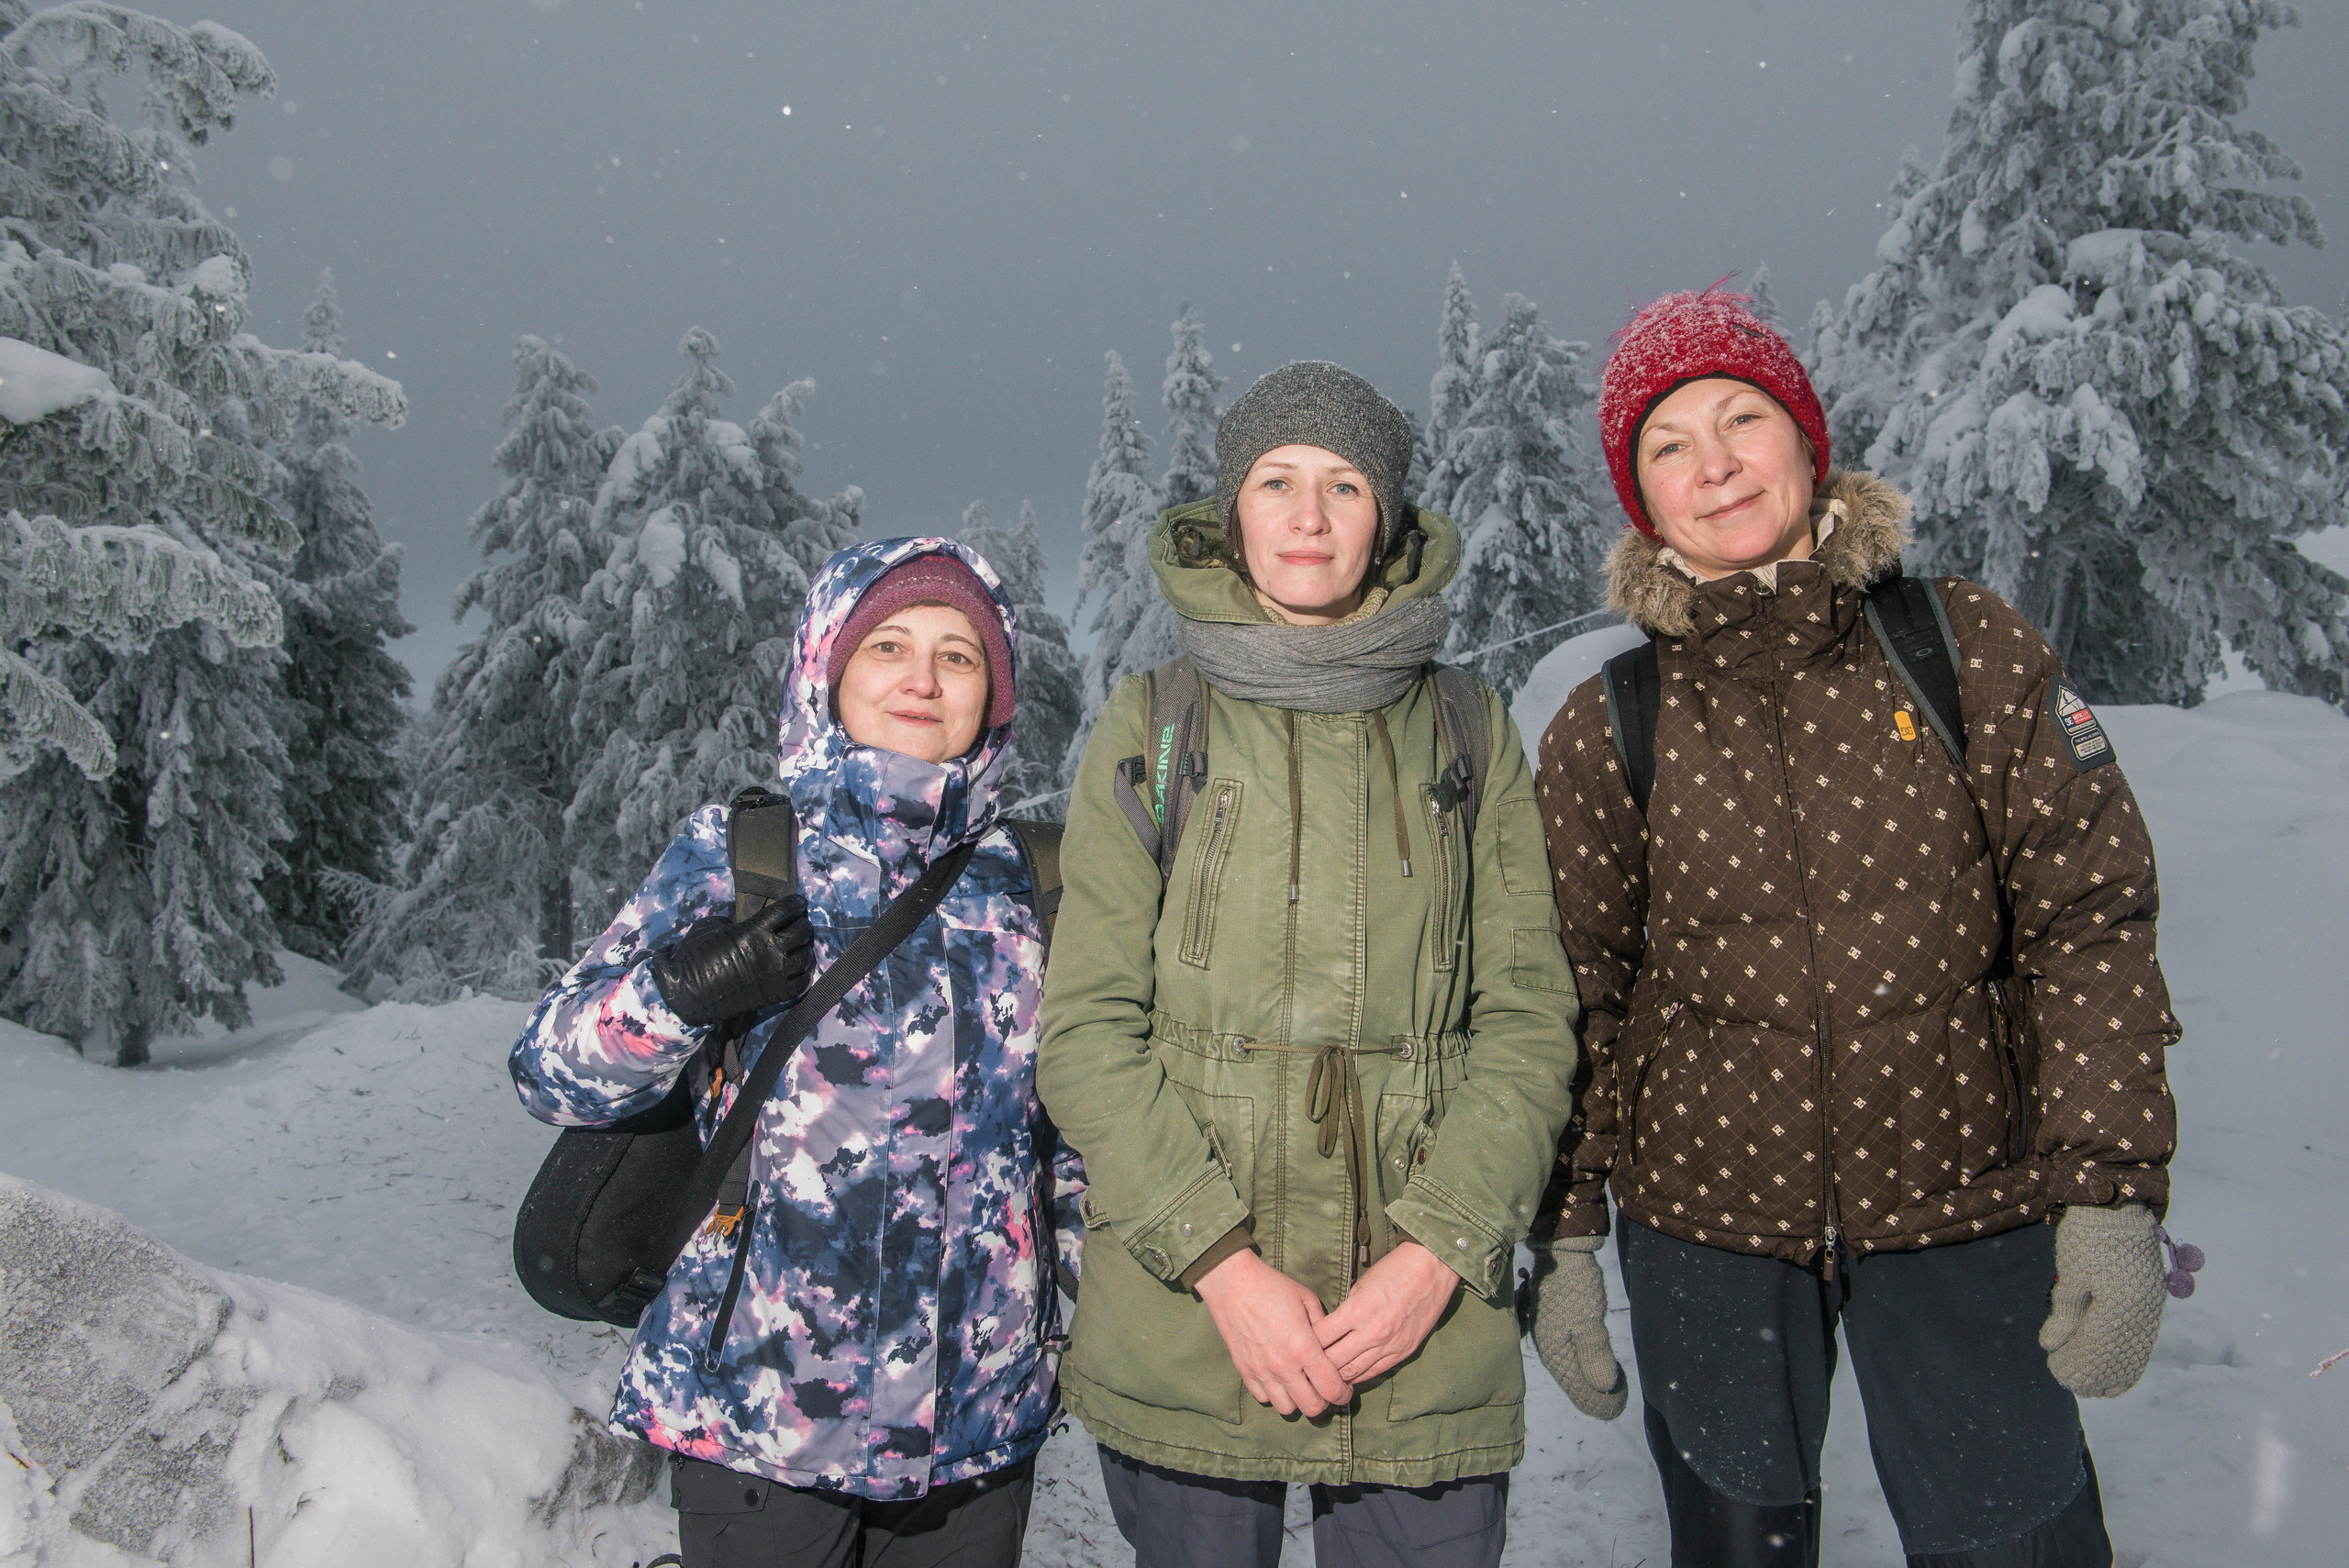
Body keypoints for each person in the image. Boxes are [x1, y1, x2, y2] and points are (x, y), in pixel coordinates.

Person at [1520, 287, 2180, 1567]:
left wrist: (2108, 1194)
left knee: (2020, 1544)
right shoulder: (1611, 722)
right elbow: (1575, 1001)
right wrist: (1564, 1234)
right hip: (1707, 1236)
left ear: (1807, 441)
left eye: (1742, 418)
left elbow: (2088, 920)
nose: (1713, 464)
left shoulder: (1956, 645)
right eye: (1668, 446)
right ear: (1641, 502)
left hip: (1964, 1212)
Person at [1037, 361, 1582, 1568]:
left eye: (1345, 485)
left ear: (1386, 519)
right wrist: (1223, 1266)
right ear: (1233, 512)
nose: (1310, 513)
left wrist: (1440, 1248)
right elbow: (1083, 1029)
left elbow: (1532, 1020)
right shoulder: (1151, 723)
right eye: (1278, 480)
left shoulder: (1469, 729)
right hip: (1186, 1311)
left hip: (1420, 1328)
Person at [510, 537, 1080, 1568]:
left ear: (993, 695)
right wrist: (678, 992)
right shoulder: (742, 852)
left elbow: (1072, 1136)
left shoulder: (1035, 880)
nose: (922, 675)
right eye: (890, 645)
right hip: (760, 1409)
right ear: (827, 669)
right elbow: (548, 1068)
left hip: (976, 1417)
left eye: (959, 656)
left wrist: (1087, 1306)